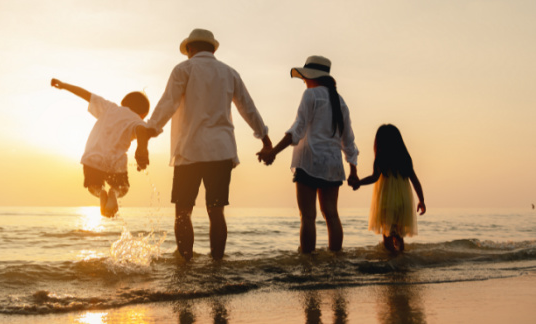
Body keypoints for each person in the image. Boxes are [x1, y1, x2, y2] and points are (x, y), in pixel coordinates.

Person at [135, 28, 271, 261]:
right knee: (216, 212)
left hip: (189, 151)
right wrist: (265, 140)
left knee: (182, 212)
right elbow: (248, 107)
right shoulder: (229, 73)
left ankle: (186, 265)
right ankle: (217, 265)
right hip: (221, 151)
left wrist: (150, 131)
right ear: (213, 48)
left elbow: (167, 103)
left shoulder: (183, 69)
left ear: (189, 48)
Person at [258, 55, 358, 254]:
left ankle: (308, 264)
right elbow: (348, 140)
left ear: (312, 77)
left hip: (309, 162)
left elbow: (297, 130)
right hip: (332, 165)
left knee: (308, 217)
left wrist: (272, 152)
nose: (303, 80)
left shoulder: (310, 96)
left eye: (305, 77)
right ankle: (336, 261)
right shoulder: (340, 101)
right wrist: (353, 170)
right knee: (331, 215)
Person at [51, 78, 150, 217]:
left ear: (124, 102)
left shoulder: (110, 107)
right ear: (143, 114)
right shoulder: (137, 120)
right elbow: (141, 130)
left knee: (93, 187)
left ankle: (101, 192)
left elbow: (86, 94)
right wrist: (142, 149)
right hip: (115, 163)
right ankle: (113, 193)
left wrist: (64, 85)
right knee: (122, 187)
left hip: (92, 158)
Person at [349, 124, 426, 252]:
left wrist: (359, 183)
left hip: (386, 203)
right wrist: (421, 201)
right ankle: (400, 260)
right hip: (403, 203)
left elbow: (374, 177)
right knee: (399, 235)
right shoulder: (405, 159)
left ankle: (392, 261)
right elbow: (415, 181)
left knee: (387, 236)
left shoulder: (381, 158)